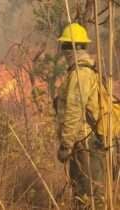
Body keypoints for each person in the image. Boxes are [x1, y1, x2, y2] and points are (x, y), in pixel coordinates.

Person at [56, 23, 105, 210]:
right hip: (86, 142)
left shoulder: (80, 74)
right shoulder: (84, 71)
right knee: (84, 194)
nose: (64, 52)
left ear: (73, 48)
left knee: (88, 196)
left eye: (65, 46)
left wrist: (66, 144)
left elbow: (74, 110)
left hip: (85, 143)